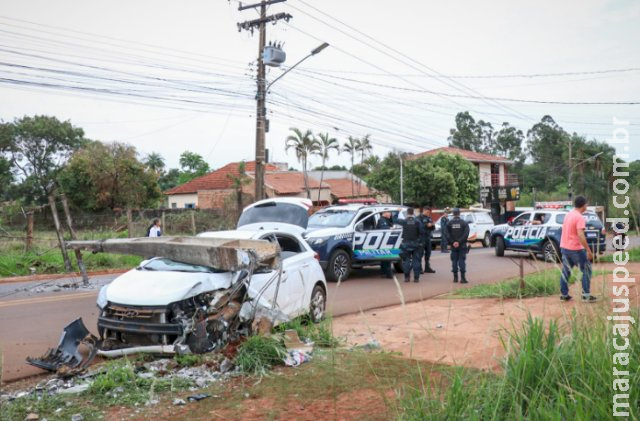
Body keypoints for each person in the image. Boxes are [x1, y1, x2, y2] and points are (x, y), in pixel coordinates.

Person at [559, 196, 597, 302]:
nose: (587, 206)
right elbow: (581, 235)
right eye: (587, 204)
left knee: (566, 271)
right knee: (586, 270)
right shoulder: (580, 217)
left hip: (565, 248)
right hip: (575, 249)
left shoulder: (569, 214)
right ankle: (586, 294)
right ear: (584, 205)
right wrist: (589, 251)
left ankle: (564, 294)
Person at [398, 207, 425, 283]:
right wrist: (419, 242)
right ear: (413, 213)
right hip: (416, 244)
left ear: (407, 213)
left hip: (406, 244)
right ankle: (416, 278)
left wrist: (398, 212)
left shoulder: (404, 221)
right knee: (416, 261)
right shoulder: (417, 221)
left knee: (406, 261)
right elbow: (422, 232)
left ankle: (407, 277)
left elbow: (395, 220)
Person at [446, 208, 470, 284]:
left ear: (453, 214)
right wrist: (459, 242)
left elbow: (447, 234)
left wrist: (453, 242)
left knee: (454, 261)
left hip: (453, 246)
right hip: (462, 245)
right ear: (459, 214)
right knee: (462, 261)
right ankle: (463, 278)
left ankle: (455, 278)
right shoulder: (464, 223)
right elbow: (466, 234)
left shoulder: (449, 223)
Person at [376, 211, 395, 279]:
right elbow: (383, 228)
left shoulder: (387, 219)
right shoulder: (382, 220)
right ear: (384, 213)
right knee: (387, 257)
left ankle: (384, 273)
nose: (390, 214)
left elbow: (392, 222)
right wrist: (390, 228)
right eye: (389, 212)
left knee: (385, 258)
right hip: (383, 240)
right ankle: (388, 274)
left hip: (385, 240)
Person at [418, 206, 436, 274]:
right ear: (424, 210)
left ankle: (427, 267)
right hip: (421, 238)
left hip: (428, 237)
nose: (428, 213)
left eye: (429, 212)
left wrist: (432, 225)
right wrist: (426, 225)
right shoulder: (419, 218)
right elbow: (418, 227)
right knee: (420, 253)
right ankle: (419, 268)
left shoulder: (429, 218)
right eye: (427, 212)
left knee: (428, 253)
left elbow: (432, 227)